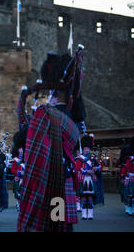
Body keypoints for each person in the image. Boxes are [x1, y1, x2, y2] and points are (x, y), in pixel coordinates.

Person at [17, 51, 85, 232]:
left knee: (49, 225)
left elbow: (24, 136)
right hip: (65, 181)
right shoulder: (72, 122)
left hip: (47, 183)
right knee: (60, 225)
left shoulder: (45, 114)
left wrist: (22, 102)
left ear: (54, 92)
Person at [75, 134, 101, 220]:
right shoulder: (79, 158)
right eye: (85, 148)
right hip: (83, 179)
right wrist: (86, 171)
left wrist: (95, 169)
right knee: (83, 196)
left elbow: (100, 166)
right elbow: (78, 167)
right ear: (83, 149)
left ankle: (90, 214)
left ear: (90, 149)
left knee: (90, 197)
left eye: (87, 148)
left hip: (91, 179)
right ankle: (83, 213)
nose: (86, 150)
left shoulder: (93, 158)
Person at [10, 128, 27, 212]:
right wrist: (18, 173)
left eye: (22, 148)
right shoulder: (15, 160)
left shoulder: (27, 159)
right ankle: (18, 202)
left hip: (25, 178)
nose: (21, 150)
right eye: (20, 149)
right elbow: (13, 169)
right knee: (17, 191)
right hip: (18, 177)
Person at [119, 138, 133, 216]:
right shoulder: (128, 159)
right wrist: (123, 177)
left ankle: (132, 207)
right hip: (128, 177)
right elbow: (125, 168)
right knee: (128, 194)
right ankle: (128, 207)